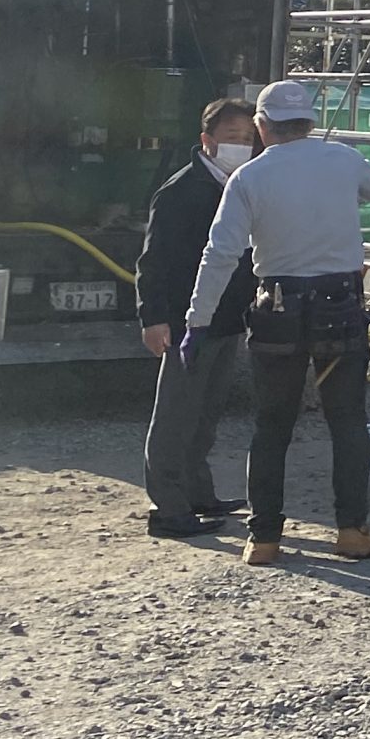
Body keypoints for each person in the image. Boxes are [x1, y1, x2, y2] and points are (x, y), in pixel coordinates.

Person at [182, 77, 370, 566]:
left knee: (272, 425)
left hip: (277, 309)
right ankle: (353, 531)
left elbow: (220, 254)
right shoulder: (342, 159)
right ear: (310, 123)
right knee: (347, 421)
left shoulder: (249, 178)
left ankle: (264, 538)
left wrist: (198, 320)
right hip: (339, 306)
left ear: (262, 126)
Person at [134, 99, 262, 539]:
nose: (241, 145)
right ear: (207, 140)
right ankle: (168, 509)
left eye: (248, 138)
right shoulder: (181, 190)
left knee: (206, 413)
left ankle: (197, 493)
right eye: (232, 137)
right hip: (187, 321)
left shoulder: (240, 185)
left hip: (227, 320)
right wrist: (154, 317)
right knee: (176, 415)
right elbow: (154, 261)